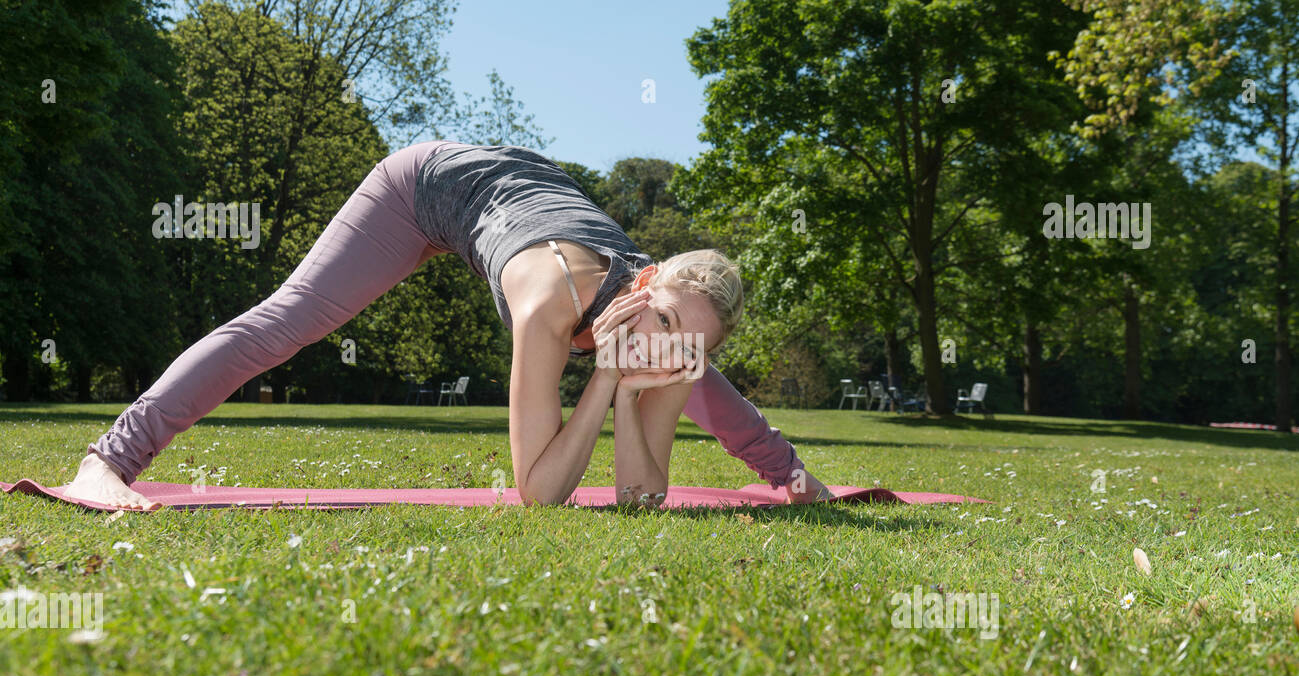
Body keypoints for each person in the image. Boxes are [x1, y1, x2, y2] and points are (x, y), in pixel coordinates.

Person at [63, 141, 833, 509]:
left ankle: (794, 476)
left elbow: (639, 497)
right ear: (648, 274)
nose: (661, 343)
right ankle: (109, 458)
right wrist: (604, 377)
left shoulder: (674, 341)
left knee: (697, 383)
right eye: (663, 318)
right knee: (286, 323)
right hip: (424, 188)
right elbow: (540, 493)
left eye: (685, 341)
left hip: (527, 195)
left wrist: (642, 388)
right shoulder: (550, 303)